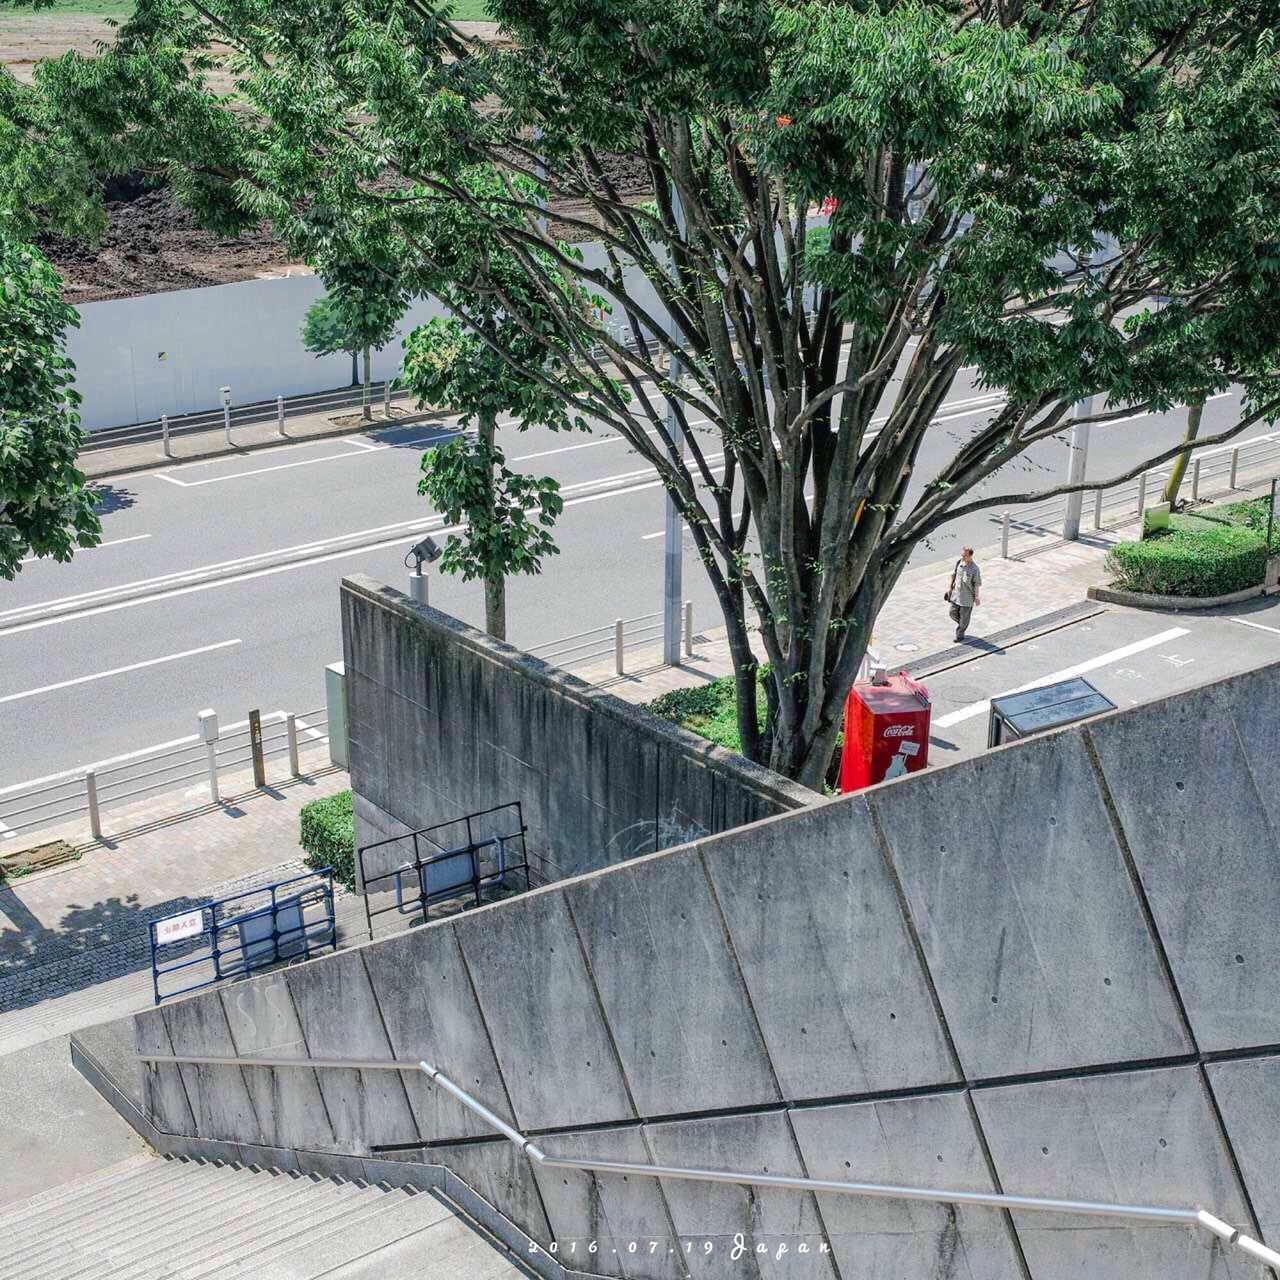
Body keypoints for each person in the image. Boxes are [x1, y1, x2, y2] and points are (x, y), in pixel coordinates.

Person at [946, 547, 982, 641]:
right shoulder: (959, 563)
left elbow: (977, 584)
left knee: (964, 618)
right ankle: (963, 624)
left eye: (964, 556)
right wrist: (950, 588)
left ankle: (959, 635)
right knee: (952, 613)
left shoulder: (975, 569)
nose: (962, 557)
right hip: (956, 595)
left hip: (967, 598)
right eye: (962, 555)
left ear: (970, 555)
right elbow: (953, 575)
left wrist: (977, 597)